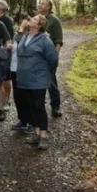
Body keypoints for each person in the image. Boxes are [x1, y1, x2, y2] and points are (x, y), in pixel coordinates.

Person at [15, 14, 59, 150]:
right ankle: (36, 132)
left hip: (38, 79)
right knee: (30, 106)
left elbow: (53, 59)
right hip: (24, 78)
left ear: (39, 25)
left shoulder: (45, 40)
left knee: (39, 106)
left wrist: (45, 73)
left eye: (34, 19)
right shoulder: (25, 36)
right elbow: (19, 51)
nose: (30, 19)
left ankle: (44, 136)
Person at [38, 0, 64, 117]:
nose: (40, 5)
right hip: (37, 56)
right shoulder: (37, 19)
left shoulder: (54, 20)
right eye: (40, 3)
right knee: (37, 82)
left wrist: (54, 56)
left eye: (43, 4)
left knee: (51, 81)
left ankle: (55, 106)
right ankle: (39, 106)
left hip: (49, 56)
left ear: (48, 7)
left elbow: (58, 41)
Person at [9, 19, 34, 134]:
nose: (21, 25)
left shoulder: (29, 38)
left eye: (25, 24)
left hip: (24, 71)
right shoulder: (17, 36)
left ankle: (32, 122)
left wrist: (21, 32)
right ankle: (22, 120)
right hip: (14, 69)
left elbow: (22, 49)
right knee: (18, 96)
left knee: (27, 97)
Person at [0, 0, 15, 108]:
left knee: (6, 77)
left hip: (5, 52)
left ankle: (6, 101)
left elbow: (10, 37)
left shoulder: (7, 20)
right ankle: (1, 100)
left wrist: (6, 49)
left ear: (3, 7)